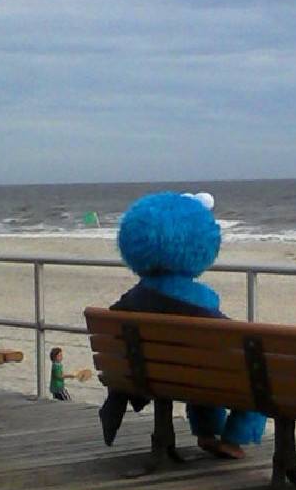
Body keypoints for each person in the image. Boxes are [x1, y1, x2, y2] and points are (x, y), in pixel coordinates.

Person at [99, 191, 266, 459]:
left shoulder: (132, 299)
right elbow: (226, 342)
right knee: (256, 379)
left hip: (151, 377)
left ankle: (206, 432)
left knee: (199, 372)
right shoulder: (201, 300)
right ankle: (233, 438)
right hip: (197, 376)